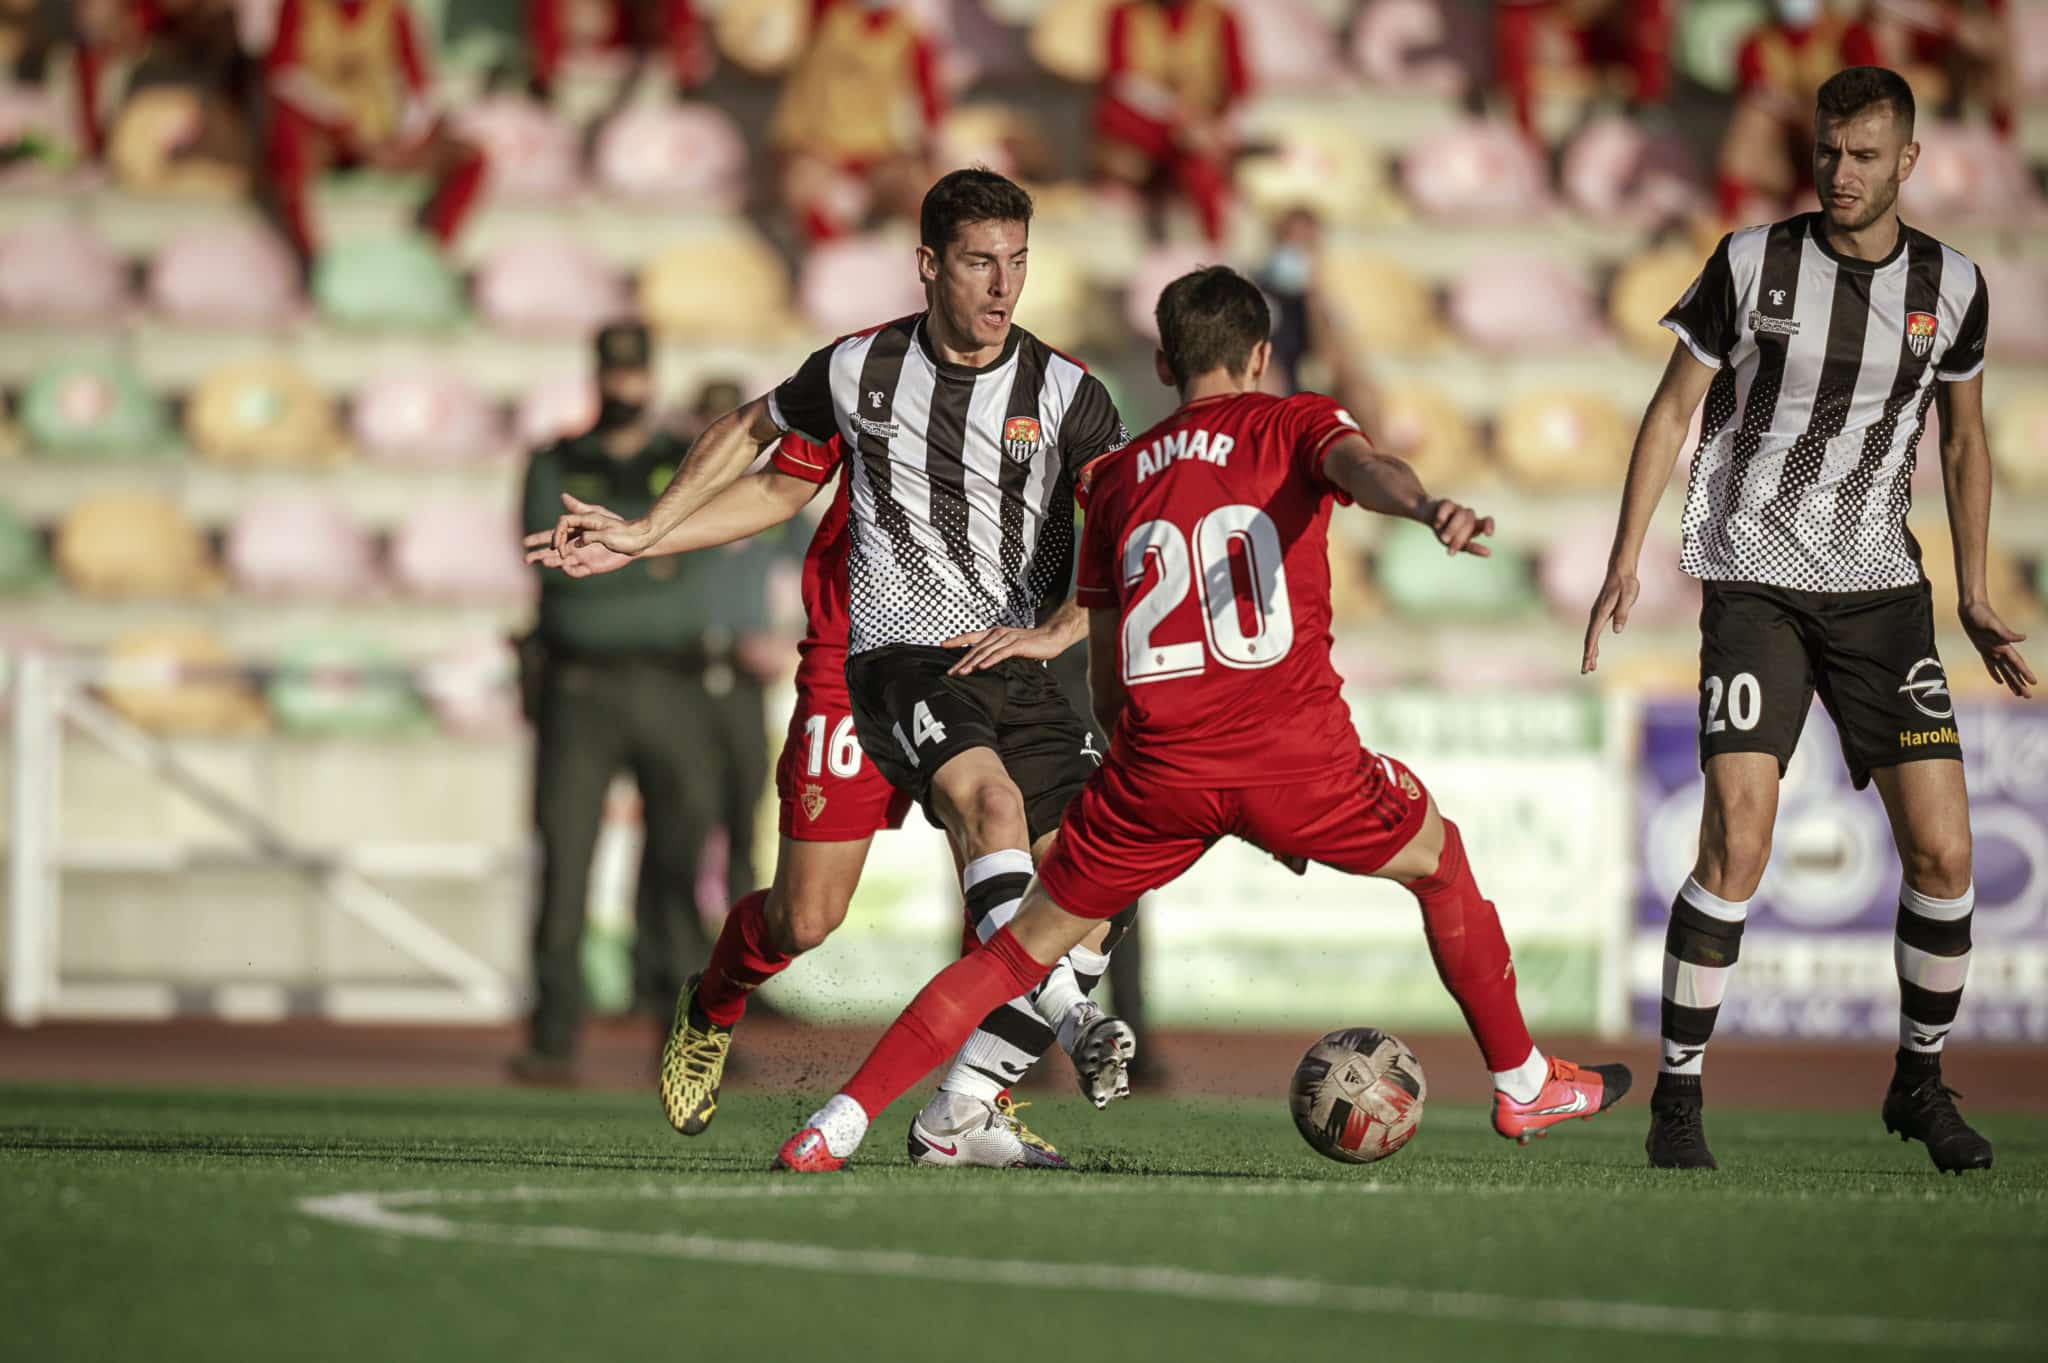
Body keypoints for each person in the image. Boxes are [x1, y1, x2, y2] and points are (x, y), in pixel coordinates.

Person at [772, 264, 1634, 1171]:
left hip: (1161, 771)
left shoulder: (1118, 482)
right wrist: (1425, 506)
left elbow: (1105, 676)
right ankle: (1523, 1082)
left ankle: (838, 1122)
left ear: (1162, 359)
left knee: (1015, 952)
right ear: (1262, 356)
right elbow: (1365, 468)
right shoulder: (1295, 420)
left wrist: (1129, 774)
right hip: (1298, 760)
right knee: (1441, 860)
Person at [544, 169, 1142, 1166]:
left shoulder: (1065, 393)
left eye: (1017, 262)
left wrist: (1074, 627)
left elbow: (1125, 527)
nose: (1003, 286)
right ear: (927, 266)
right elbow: (772, 471)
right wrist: (647, 535)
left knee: (1039, 860)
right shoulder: (863, 378)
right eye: (979, 262)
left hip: (999, 668)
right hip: (860, 669)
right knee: (805, 914)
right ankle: (716, 995)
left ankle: (968, 1104)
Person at [1583, 66, 2032, 1172]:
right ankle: (1677, 1097)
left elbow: (1965, 442)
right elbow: (1671, 409)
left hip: (1882, 594)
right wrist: (1622, 561)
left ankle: (1916, 1082)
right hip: (1753, 582)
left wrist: (1973, 591)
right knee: (1738, 834)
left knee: (1944, 849)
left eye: (1865, 155)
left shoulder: (1952, 284)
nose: (1840, 173)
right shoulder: (1751, 263)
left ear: (1907, 162)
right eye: (1828, 152)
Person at [512, 322, 732, 1082]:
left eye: (636, 371)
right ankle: (553, 1033)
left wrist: (624, 553)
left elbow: (706, 543)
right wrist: (650, 554)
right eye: (615, 371)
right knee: (566, 860)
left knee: (680, 866)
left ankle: (689, 1035)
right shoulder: (556, 460)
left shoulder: (678, 457)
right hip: (582, 686)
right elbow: (555, 565)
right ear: (597, 373)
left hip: (670, 681)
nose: (626, 385)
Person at [262, 0, 487, 263]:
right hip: (324, 135)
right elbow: (283, 76)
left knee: (469, 155)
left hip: (384, 133)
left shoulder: (390, 9)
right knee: (286, 138)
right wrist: (342, 127)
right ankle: (307, 257)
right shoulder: (298, 7)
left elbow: (419, 88)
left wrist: (405, 137)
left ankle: (432, 254)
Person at [768, 0, 943, 242]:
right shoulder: (826, 14)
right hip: (816, 147)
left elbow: (929, 102)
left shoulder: (908, 32)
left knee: (930, 200)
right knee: (806, 190)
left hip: (879, 155)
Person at [1093, 0, 1247, 245]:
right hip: (1150, 127)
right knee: (1115, 113)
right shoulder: (1126, 15)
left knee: (1197, 162)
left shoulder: (1220, 18)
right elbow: (1121, 81)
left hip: (1203, 130)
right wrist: (1176, 115)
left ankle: (1213, 244)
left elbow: (1240, 87)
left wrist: (1214, 129)